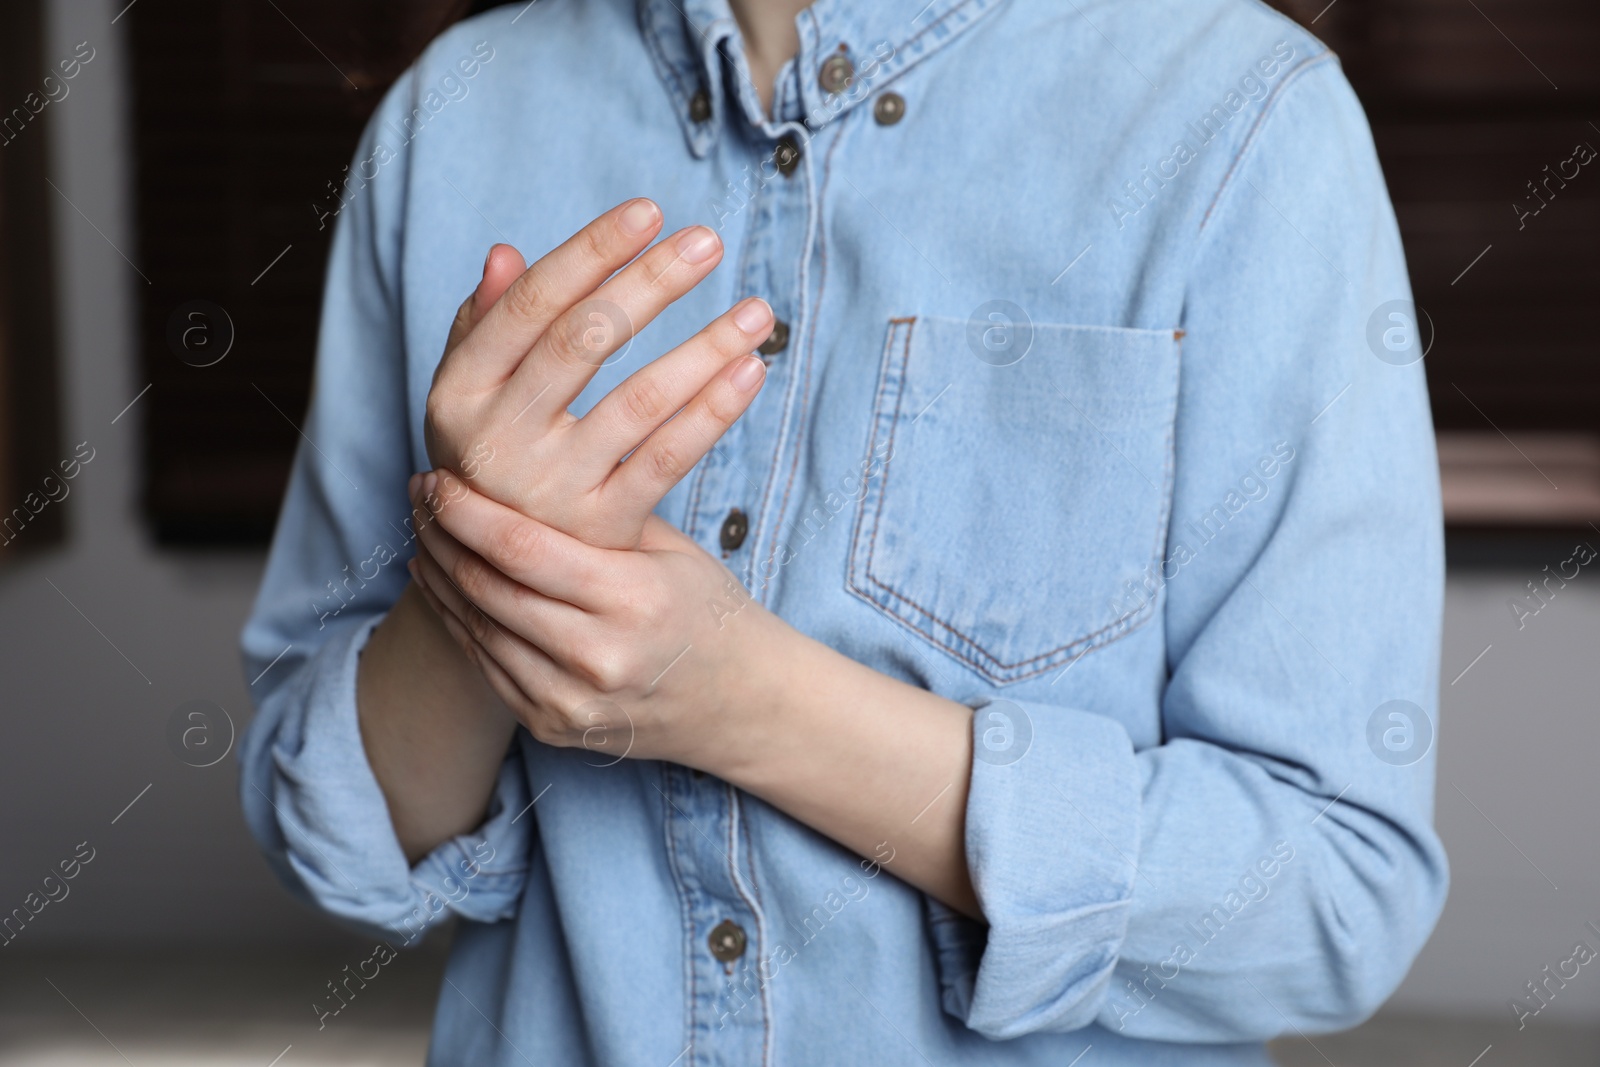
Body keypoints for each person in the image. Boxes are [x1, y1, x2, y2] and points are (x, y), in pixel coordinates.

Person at [239, 0, 1449, 1062]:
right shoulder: (449, 115)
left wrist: (741, 701)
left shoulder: (1243, 113)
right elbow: (329, 832)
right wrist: (480, 576)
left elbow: (1331, 897)